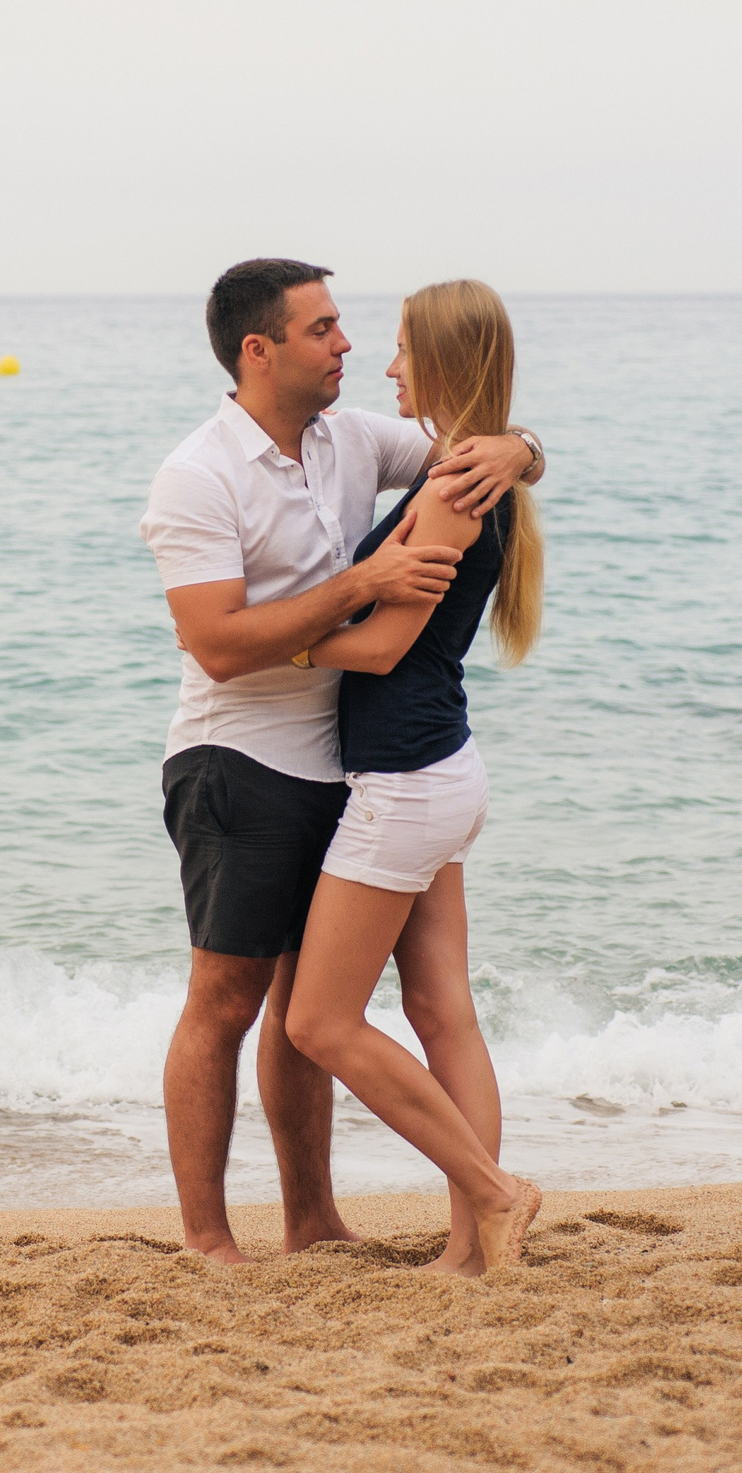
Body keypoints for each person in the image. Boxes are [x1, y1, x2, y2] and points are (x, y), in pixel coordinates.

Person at [138, 259, 546, 1265]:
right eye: (322, 329)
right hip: (239, 763)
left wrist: (521, 444)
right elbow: (218, 645)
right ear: (257, 349)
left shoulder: (352, 438)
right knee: (228, 1001)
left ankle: (317, 1219)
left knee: (304, 1010)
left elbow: (470, 451)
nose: (350, 348)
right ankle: (205, 1238)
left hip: (363, 768)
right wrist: (360, 584)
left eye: (351, 329)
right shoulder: (198, 474)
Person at [280, 279, 545, 1273]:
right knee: (441, 1011)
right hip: (442, 769)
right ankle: (478, 1251)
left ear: (441, 360)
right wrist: (524, 443)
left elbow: (383, 648)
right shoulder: (473, 470)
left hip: (406, 781)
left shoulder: (449, 486)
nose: (386, 365)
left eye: (400, 348)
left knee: (318, 1020)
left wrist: (270, 648)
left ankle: (492, 1195)